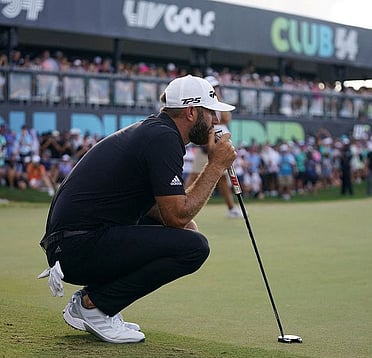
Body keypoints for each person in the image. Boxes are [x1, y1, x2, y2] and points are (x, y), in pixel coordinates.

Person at [37, 75, 237, 344]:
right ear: (191, 112)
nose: (216, 120)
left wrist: (180, 223)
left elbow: (162, 210)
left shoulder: (157, 131)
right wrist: (216, 165)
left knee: (186, 234)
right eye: (211, 112)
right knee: (193, 247)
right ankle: (93, 305)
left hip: (72, 243)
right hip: (77, 246)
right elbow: (177, 215)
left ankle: (94, 303)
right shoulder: (164, 138)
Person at [184, 75, 242, 218]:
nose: (214, 90)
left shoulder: (217, 102)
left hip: (216, 143)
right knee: (193, 176)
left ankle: (231, 208)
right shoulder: (200, 104)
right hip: (204, 144)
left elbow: (226, 118)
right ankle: (182, 203)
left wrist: (218, 99)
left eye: (215, 87)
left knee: (222, 179)